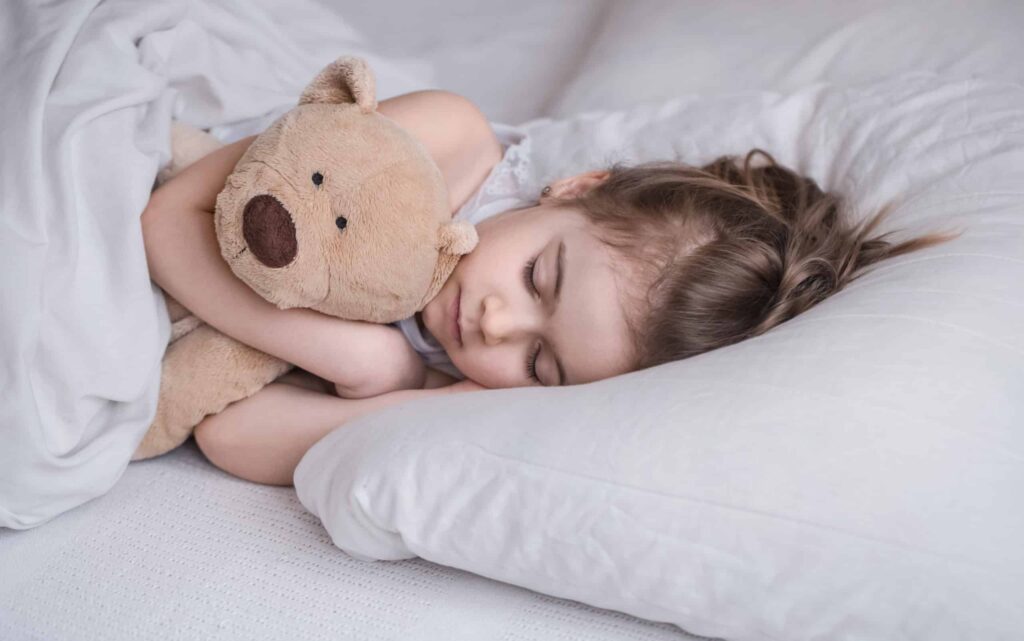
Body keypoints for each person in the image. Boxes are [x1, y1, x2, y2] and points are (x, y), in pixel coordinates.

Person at [142, 90, 949, 486]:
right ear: (574, 187)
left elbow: (231, 434)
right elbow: (171, 215)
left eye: (543, 365)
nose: (496, 327)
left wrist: (409, 396)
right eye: (540, 277)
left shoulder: (465, 386)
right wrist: (364, 357)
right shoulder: (446, 143)